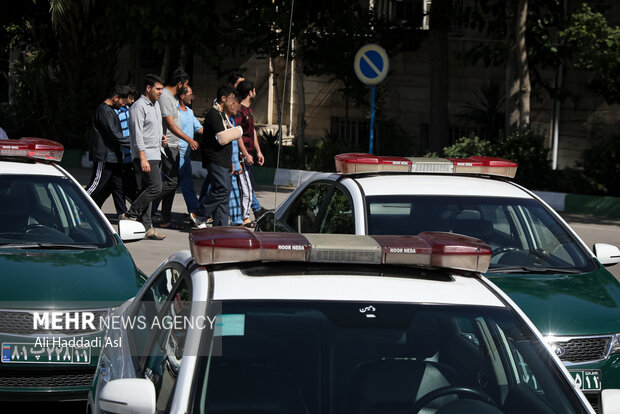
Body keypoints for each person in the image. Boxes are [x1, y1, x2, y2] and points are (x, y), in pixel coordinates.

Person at [192, 85, 242, 228]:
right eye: (232, 102)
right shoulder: (214, 114)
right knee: (221, 189)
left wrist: (231, 161)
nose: (234, 106)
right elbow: (222, 138)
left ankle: (221, 228)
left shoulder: (223, 115)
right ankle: (199, 214)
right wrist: (239, 131)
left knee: (224, 196)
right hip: (215, 159)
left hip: (224, 160)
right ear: (223, 99)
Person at [155, 68, 199, 228]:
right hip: (170, 146)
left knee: (171, 183)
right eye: (186, 85)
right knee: (171, 183)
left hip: (174, 146)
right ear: (180, 84)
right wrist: (189, 140)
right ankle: (143, 203)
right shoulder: (166, 97)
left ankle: (165, 218)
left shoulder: (171, 98)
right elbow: (170, 124)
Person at [125, 74, 167, 240]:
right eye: (158, 89)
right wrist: (142, 158)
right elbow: (137, 135)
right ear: (148, 88)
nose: (160, 92)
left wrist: (161, 137)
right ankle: (131, 213)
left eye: (162, 89)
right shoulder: (138, 107)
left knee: (147, 189)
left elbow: (152, 129)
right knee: (156, 187)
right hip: (145, 155)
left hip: (156, 152)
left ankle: (147, 227)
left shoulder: (155, 105)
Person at [85, 85, 131, 218]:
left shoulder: (110, 110)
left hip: (114, 157)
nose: (123, 106)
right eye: (122, 102)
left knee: (118, 186)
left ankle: (123, 213)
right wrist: (135, 144)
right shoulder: (104, 110)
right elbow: (115, 134)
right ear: (116, 97)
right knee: (95, 186)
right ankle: (74, 206)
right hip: (105, 157)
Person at [234, 80, 267, 221]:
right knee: (245, 189)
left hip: (249, 154)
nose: (255, 92)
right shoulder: (239, 111)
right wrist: (245, 154)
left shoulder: (249, 110)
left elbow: (252, 132)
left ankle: (245, 216)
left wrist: (258, 151)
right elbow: (237, 134)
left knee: (248, 186)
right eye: (254, 90)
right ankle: (245, 218)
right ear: (249, 92)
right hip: (242, 156)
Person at [178, 85, 203, 218]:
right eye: (190, 94)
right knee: (164, 186)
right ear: (182, 96)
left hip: (185, 155)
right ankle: (149, 210)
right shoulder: (174, 112)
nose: (192, 97)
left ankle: (195, 210)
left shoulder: (189, 112)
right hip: (176, 154)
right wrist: (189, 140)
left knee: (187, 184)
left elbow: (198, 128)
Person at [116, 84, 138, 203]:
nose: (132, 101)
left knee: (130, 187)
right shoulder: (114, 112)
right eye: (131, 98)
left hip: (129, 156)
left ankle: (128, 212)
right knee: (115, 187)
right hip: (119, 156)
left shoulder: (129, 111)